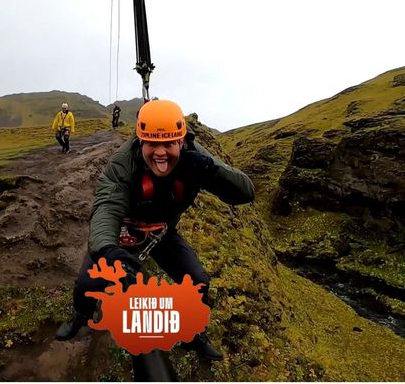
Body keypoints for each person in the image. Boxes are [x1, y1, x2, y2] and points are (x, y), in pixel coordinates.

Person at [55, 100, 255, 361]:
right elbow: (106, 208)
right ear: (141, 141)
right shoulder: (122, 163)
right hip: (124, 231)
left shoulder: (197, 158)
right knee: (87, 283)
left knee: (198, 281)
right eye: (152, 144)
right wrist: (108, 250)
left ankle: (195, 334)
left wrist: (211, 170)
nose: (160, 153)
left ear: (181, 141)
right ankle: (80, 317)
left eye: (169, 144)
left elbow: (245, 193)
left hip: (162, 232)